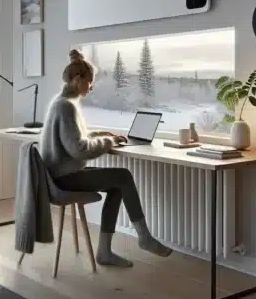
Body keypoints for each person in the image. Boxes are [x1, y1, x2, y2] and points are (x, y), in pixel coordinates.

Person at [39, 49, 173, 267]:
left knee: (117, 185)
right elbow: (80, 150)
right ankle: (144, 238)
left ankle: (104, 252)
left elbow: (74, 139)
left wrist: (100, 135)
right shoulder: (66, 107)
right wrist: (109, 142)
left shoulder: (61, 102)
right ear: (77, 79)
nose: (91, 87)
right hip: (63, 179)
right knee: (123, 176)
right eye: (89, 82)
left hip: (61, 174)